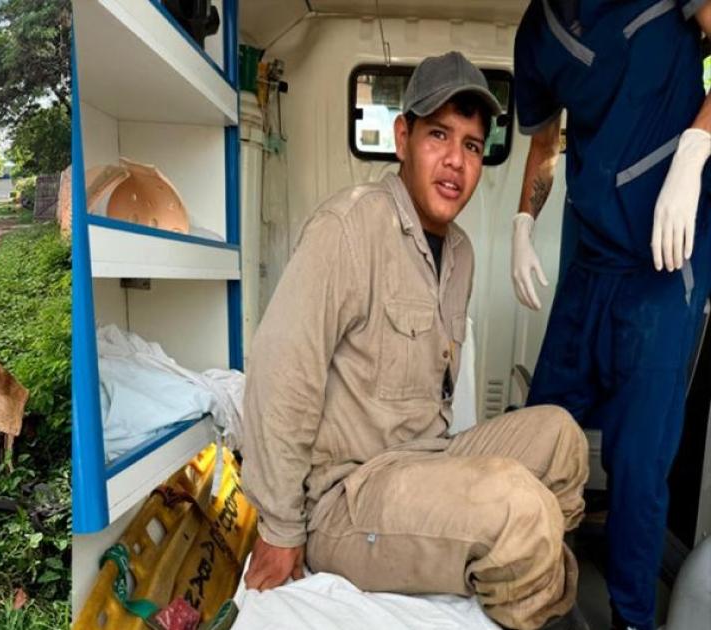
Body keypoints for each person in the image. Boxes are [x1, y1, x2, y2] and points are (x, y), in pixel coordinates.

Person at [239, 51, 590, 630]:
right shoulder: (347, 228)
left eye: (472, 145)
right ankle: (532, 596)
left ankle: (536, 582)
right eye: (438, 135)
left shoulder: (461, 254)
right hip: (348, 496)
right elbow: (282, 375)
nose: (456, 160)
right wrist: (279, 527)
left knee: (561, 438)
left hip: (427, 459)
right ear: (403, 138)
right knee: (519, 508)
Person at [509, 2, 711, 628]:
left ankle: (631, 618)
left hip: (662, 263)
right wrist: (522, 222)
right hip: (590, 260)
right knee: (536, 441)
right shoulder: (537, 31)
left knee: (639, 465)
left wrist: (695, 149)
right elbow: (545, 143)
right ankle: (525, 600)